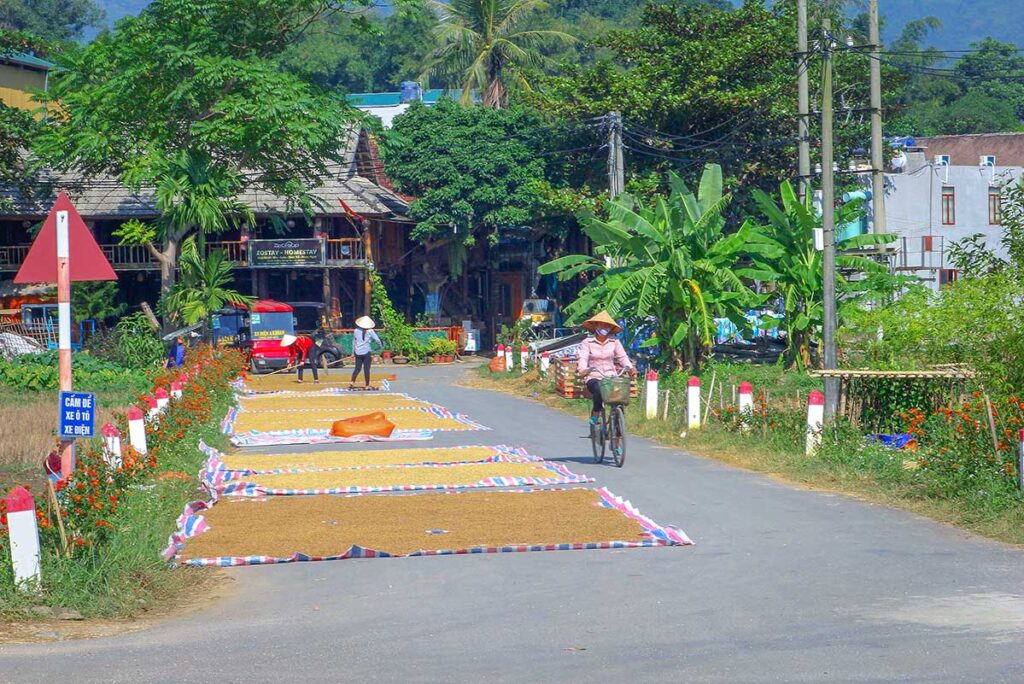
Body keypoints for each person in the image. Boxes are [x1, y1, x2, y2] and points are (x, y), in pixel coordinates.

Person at [577, 311, 635, 425]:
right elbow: (583, 358)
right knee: (598, 388)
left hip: (611, 376)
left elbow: (622, 357)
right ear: (595, 326)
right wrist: (583, 370)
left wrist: (630, 367)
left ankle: (618, 430)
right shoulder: (587, 342)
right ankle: (596, 412)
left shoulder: (615, 342)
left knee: (620, 398)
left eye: (607, 325)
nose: (604, 327)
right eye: (602, 325)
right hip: (594, 375)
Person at [350, 316, 382, 389]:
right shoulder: (370, 331)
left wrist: (352, 353)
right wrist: (379, 346)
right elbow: (377, 340)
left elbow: (354, 342)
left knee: (357, 368)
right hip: (366, 352)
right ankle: (367, 385)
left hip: (358, 352)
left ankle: (352, 381)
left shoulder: (356, 330)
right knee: (366, 369)